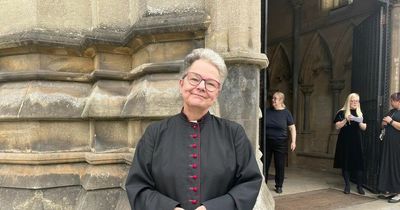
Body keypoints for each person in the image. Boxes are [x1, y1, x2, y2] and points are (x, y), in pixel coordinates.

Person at [125, 48, 262, 210]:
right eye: (195, 79)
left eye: (211, 84)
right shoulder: (154, 133)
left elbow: (249, 184)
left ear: (217, 93)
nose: (201, 87)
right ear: (182, 84)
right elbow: (137, 186)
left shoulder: (234, 134)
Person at [333, 93, 367, 195]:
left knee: (359, 163)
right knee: (346, 162)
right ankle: (347, 186)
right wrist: (345, 119)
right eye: (352, 101)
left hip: (356, 141)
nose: (354, 103)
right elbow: (337, 126)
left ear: (358, 102)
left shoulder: (360, 113)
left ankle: (359, 186)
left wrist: (359, 122)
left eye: (356, 101)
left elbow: (364, 127)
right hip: (345, 141)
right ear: (348, 101)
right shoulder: (341, 112)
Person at [264, 91, 296, 194]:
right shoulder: (267, 111)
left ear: (281, 100)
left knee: (279, 164)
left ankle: (279, 185)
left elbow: (292, 128)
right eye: (272, 98)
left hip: (280, 143)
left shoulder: (286, 113)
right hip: (267, 141)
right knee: (265, 163)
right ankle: (263, 183)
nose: (273, 100)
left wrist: (293, 142)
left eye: (275, 99)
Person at [377, 92, 400, 203]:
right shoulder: (391, 111)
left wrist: (390, 121)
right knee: (389, 166)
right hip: (388, 144)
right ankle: (392, 191)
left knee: (397, 167)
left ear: (398, 101)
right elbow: (383, 123)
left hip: (397, 145)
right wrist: (384, 123)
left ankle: (399, 193)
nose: (390, 102)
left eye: (392, 100)